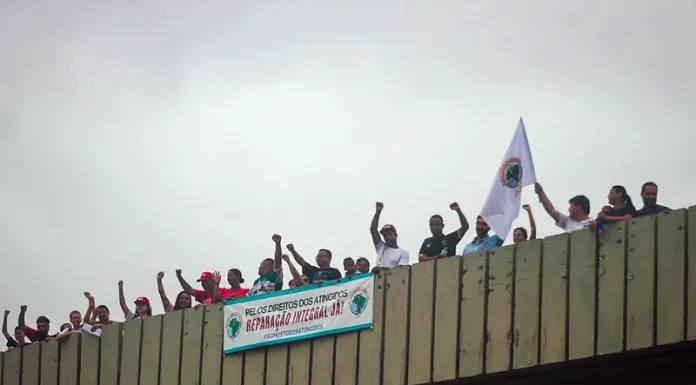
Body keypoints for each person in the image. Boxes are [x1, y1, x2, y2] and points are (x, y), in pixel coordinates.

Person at [369, 202, 410, 272]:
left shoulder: (403, 252)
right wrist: (378, 212)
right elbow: (373, 230)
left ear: (396, 235)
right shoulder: (381, 247)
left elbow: (401, 271)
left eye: (390, 234)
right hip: (377, 280)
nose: (387, 237)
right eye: (385, 235)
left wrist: (381, 269)